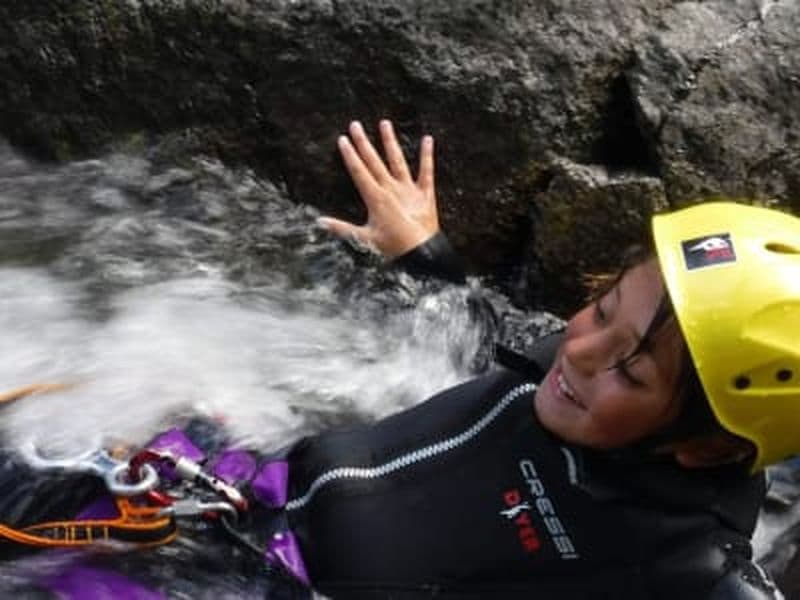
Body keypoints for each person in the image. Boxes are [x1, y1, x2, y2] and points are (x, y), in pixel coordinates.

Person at [0, 120, 795, 599]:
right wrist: (425, 252)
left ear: (705, 447)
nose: (579, 350)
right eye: (601, 304)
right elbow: (481, 339)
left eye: (629, 368)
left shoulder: (682, 559)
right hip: (228, 492)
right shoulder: (573, 365)